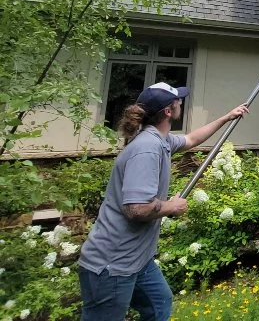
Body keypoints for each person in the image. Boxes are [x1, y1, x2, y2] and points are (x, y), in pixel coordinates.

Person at [77, 81, 249, 321]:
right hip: (112, 264)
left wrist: (227, 117)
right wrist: (171, 206)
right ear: (168, 111)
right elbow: (136, 209)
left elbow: (190, 140)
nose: (181, 101)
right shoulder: (147, 149)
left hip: (137, 260)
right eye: (177, 99)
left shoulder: (160, 140)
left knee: (159, 303)